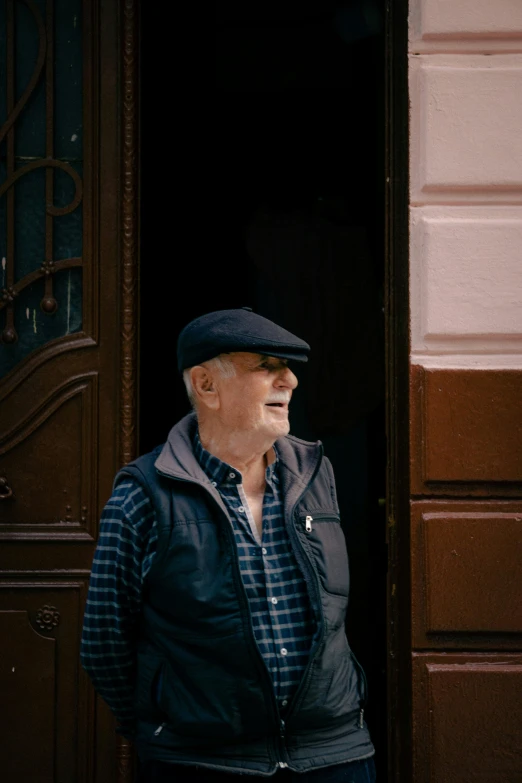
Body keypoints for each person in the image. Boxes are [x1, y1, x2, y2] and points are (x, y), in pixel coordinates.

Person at [81, 308, 376, 782]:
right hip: (204, 762)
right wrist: (166, 724)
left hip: (333, 754)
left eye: (288, 367)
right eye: (266, 365)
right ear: (206, 385)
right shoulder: (141, 495)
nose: (290, 380)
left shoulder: (318, 474)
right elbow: (103, 644)